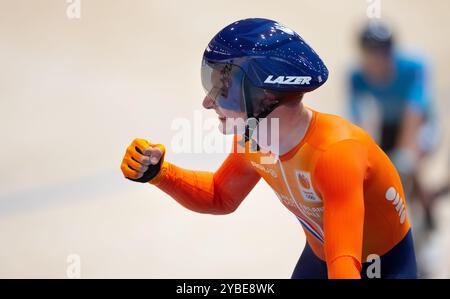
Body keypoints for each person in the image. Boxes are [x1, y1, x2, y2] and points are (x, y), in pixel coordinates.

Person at [121, 18, 417, 279]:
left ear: (264, 97)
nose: (208, 102)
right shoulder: (254, 142)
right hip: (324, 257)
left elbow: (343, 266)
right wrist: (160, 173)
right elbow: (220, 195)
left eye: (223, 92)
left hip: (382, 267)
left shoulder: (335, 155)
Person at [348, 20, 440, 230]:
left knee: (411, 167)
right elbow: (357, 118)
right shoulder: (356, 75)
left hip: (423, 122)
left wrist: (408, 152)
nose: (378, 63)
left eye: (383, 56)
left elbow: (415, 110)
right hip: (390, 123)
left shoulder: (415, 66)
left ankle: (427, 212)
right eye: (371, 57)